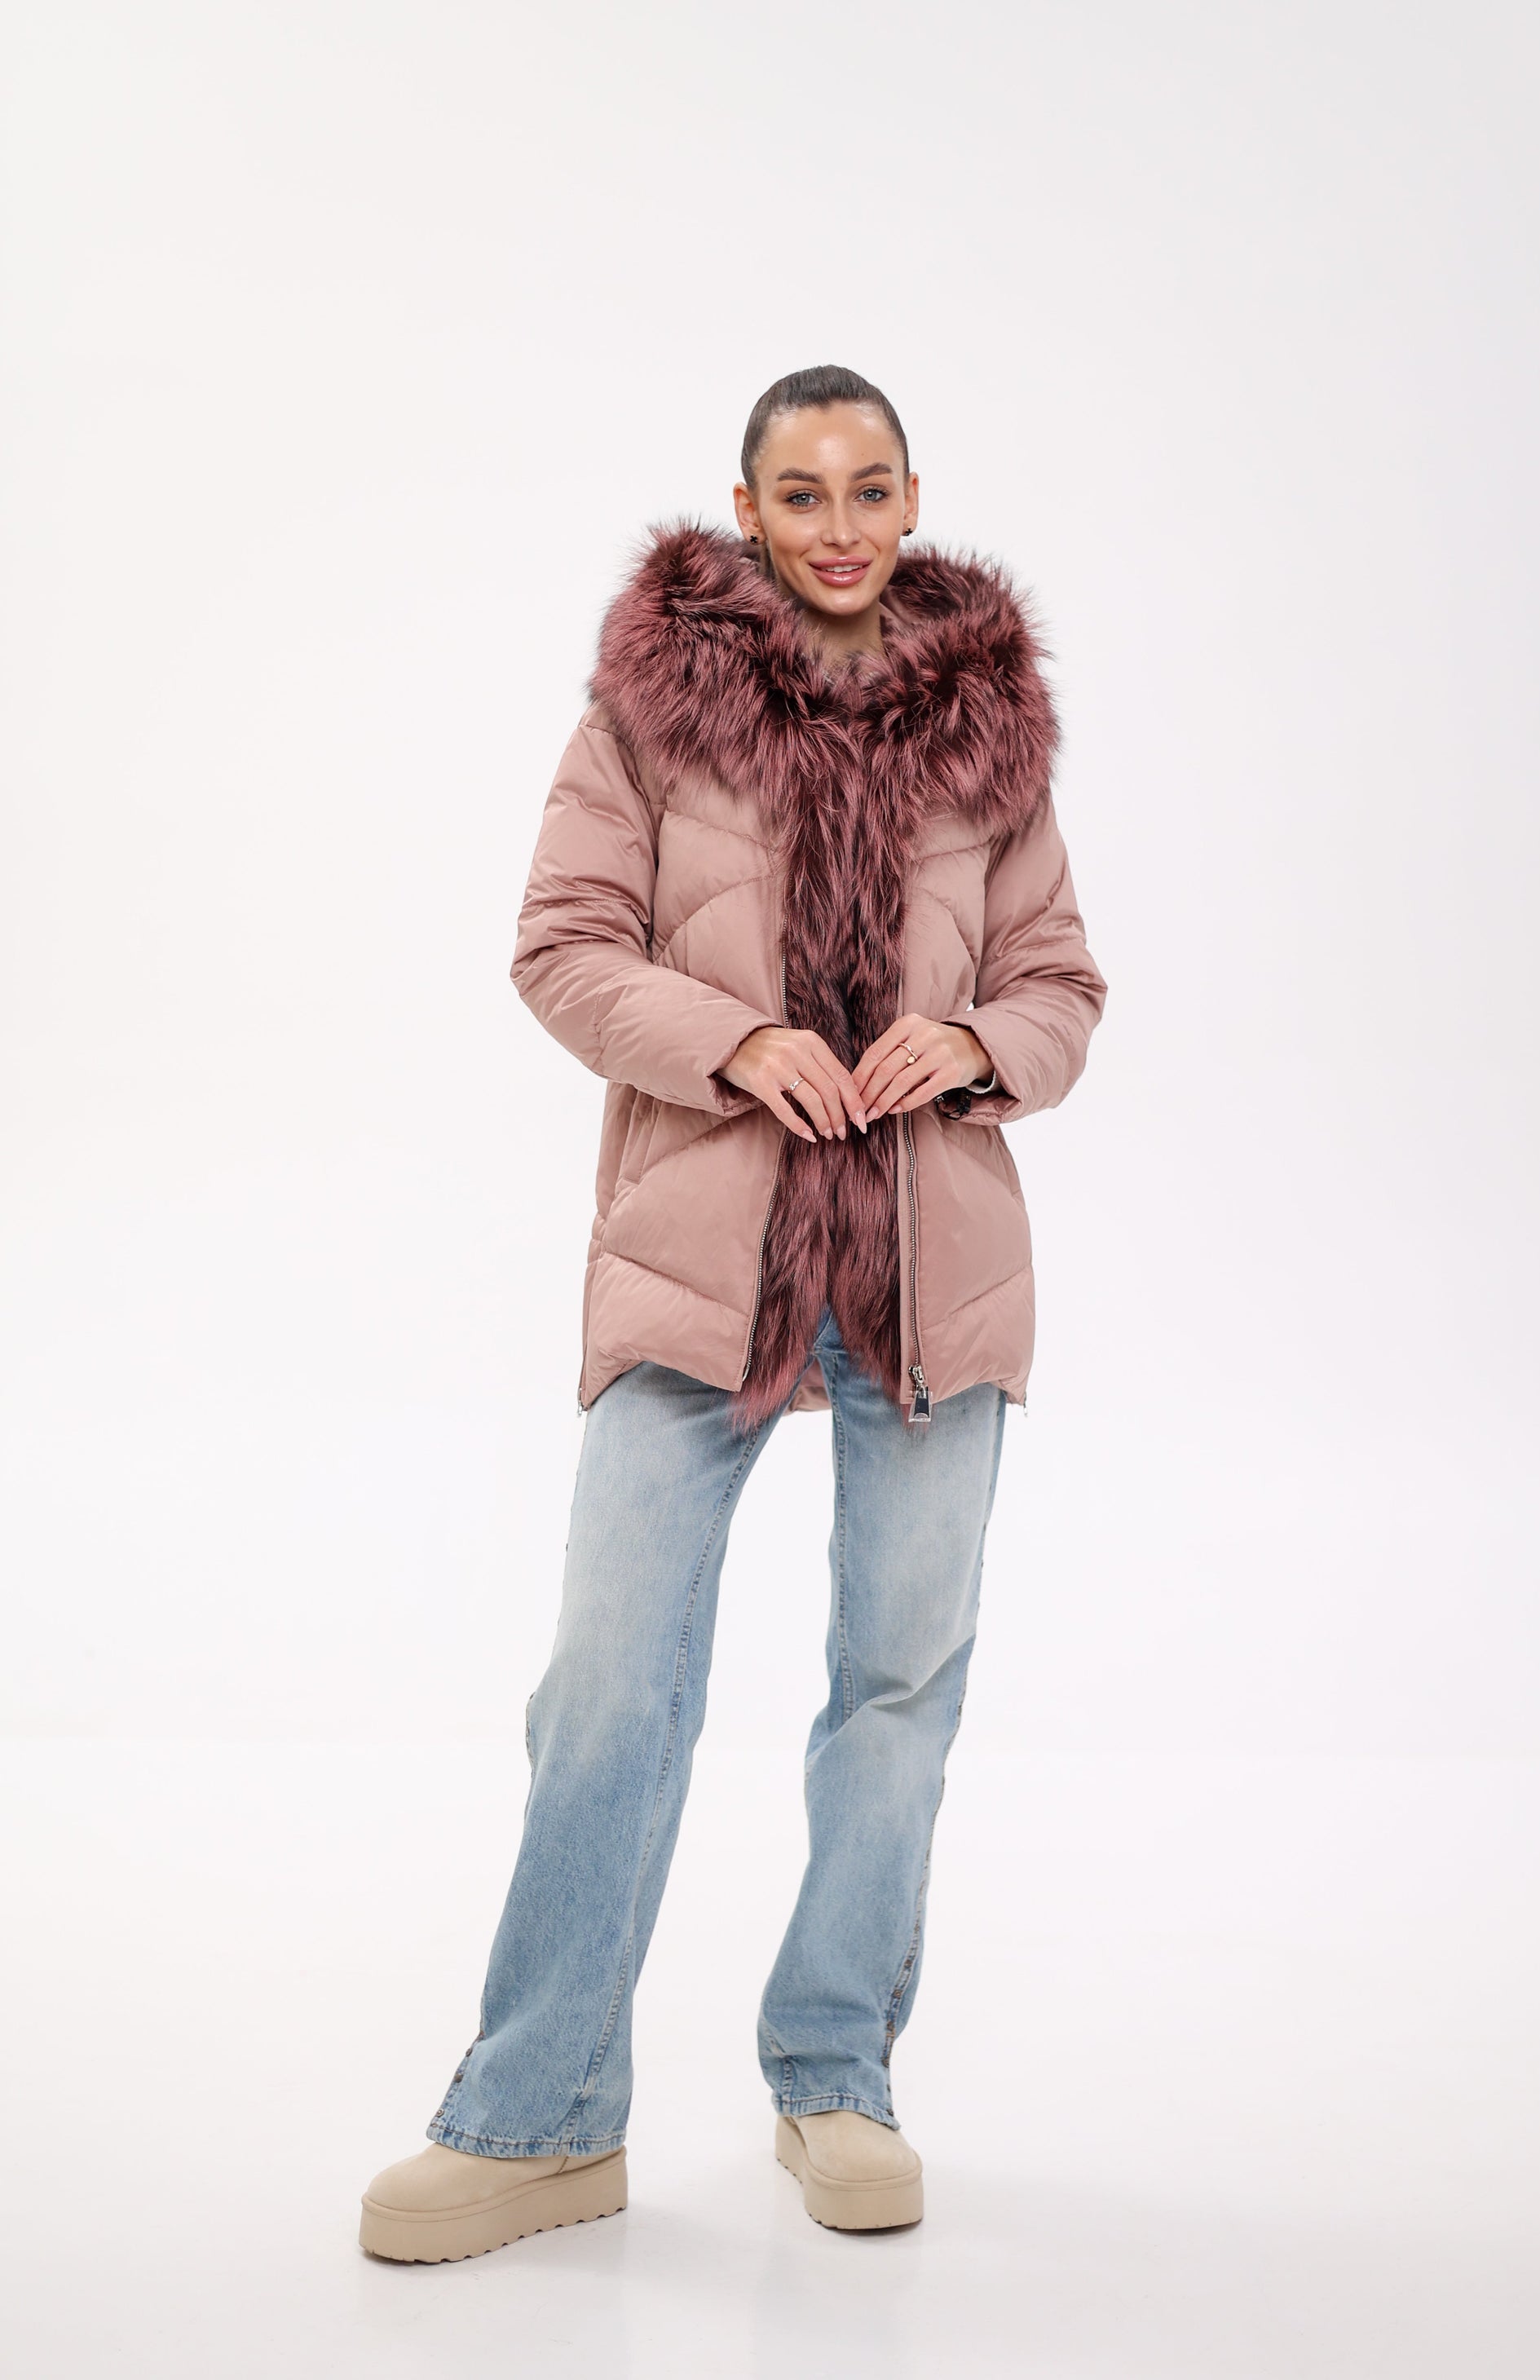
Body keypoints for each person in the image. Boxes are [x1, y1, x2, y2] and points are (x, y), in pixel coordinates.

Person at [359, 365, 1106, 2262]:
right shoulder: (650, 708)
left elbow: (1059, 980)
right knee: (609, 1681)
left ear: (912, 496)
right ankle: (539, 2115)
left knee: (897, 1686)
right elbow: (561, 946)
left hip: (930, 1274)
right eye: (801, 490)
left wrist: (978, 1041)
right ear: (750, 506)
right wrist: (736, 1039)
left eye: (868, 486)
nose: (838, 523)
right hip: (704, 1261)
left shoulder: (993, 729)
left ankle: (834, 2069)